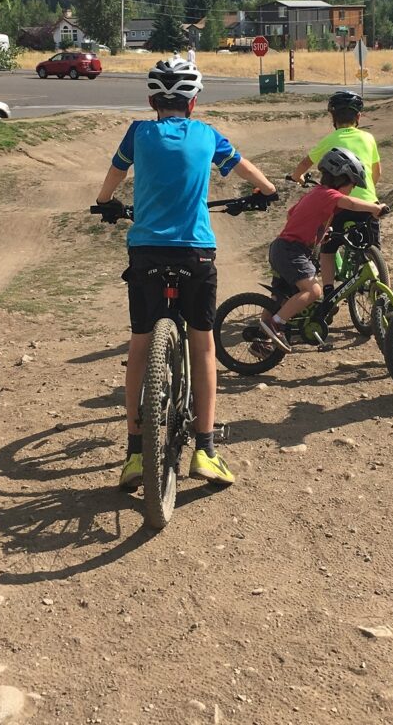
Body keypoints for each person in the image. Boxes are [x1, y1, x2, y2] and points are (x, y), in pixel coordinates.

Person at [96, 57, 276, 490]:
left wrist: (107, 204)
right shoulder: (207, 134)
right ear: (194, 103)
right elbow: (251, 173)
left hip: (146, 252)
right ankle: (207, 451)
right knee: (203, 344)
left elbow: (110, 184)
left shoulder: (138, 134)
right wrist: (265, 192)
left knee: (140, 343)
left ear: (152, 100)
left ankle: (136, 454)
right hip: (196, 253)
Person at [259, 147, 387, 353]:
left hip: (282, 247)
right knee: (313, 290)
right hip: (292, 250)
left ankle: (263, 338)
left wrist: (317, 235)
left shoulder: (315, 194)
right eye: (352, 185)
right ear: (341, 178)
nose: (352, 190)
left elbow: (291, 215)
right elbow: (351, 204)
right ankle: (276, 324)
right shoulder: (329, 194)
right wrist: (375, 208)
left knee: (280, 296)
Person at [287, 91, 381, 304]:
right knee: (373, 249)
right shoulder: (369, 138)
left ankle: (329, 290)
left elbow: (302, 166)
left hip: (337, 201)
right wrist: (368, 193)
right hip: (367, 202)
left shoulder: (329, 140)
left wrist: (299, 178)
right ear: (358, 117)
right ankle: (382, 295)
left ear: (333, 118)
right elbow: (377, 173)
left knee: (328, 248)